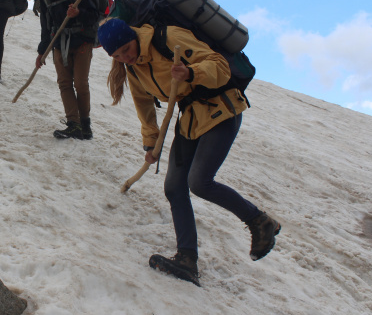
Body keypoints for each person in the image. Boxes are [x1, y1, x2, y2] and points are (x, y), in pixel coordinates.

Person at [98, 17, 281, 286]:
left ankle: (260, 221)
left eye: (127, 49)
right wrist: (151, 144)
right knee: (174, 187)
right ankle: (187, 260)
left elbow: (219, 65)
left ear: (133, 37)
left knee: (199, 182)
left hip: (219, 109)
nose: (126, 57)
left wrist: (191, 73)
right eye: (118, 55)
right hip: (190, 119)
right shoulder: (134, 69)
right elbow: (143, 105)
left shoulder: (168, 38)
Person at [32, 0, 101, 140]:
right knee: (64, 83)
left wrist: (79, 14)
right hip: (59, 42)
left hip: (82, 41)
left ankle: (85, 125)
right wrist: (42, 51)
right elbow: (46, 25)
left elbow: (94, 15)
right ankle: (73, 124)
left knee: (80, 83)